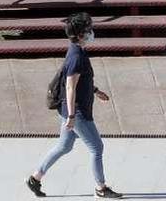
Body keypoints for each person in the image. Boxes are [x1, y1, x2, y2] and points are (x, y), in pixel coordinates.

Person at [26, 13, 123, 199]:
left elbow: (79, 82)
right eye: (88, 30)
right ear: (79, 35)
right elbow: (70, 87)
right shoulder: (76, 56)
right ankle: (101, 189)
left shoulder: (76, 50)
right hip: (77, 112)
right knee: (97, 148)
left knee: (64, 146)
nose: (91, 33)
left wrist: (95, 90)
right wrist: (71, 116)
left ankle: (35, 178)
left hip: (70, 109)